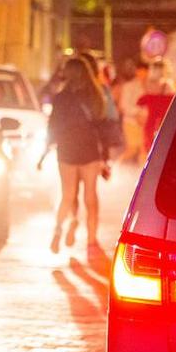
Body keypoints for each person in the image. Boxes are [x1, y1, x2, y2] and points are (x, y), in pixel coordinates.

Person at [47, 56, 111, 255]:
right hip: (89, 151)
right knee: (90, 195)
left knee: (67, 195)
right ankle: (91, 239)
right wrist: (105, 157)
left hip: (66, 151)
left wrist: (45, 151)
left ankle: (58, 230)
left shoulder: (60, 97)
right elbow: (103, 127)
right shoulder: (96, 95)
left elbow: (53, 127)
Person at [114, 59, 148, 166]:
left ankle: (142, 174)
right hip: (131, 122)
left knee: (144, 149)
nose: (143, 74)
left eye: (145, 71)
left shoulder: (152, 86)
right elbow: (124, 105)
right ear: (137, 71)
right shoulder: (129, 86)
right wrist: (138, 114)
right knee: (133, 149)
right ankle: (116, 167)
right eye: (140, 71)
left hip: (147, 123)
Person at [138, 59, 175, 154]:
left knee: (150, 152)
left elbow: (140, 104)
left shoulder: (146, 84)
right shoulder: (168, 85)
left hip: (150, 123)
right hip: (164, 123)